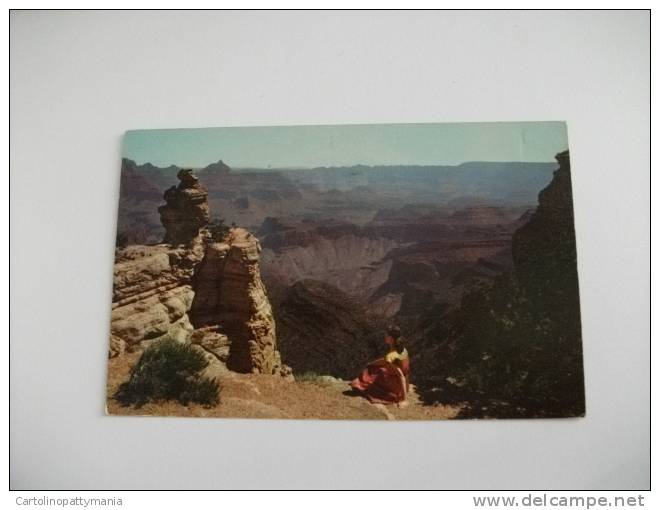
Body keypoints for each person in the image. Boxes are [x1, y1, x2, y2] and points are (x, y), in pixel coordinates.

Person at [350, 325, 410, 405]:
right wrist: (371, 363)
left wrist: (404, 399)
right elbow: (384, 360)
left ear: (391, 339)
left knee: (360, 382)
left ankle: (389, 392)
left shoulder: (391, 355)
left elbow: (401, 376)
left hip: (395, 386)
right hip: (405, 382)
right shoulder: (402, 349)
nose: (385, 336)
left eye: (387, 335)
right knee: (374, 368)